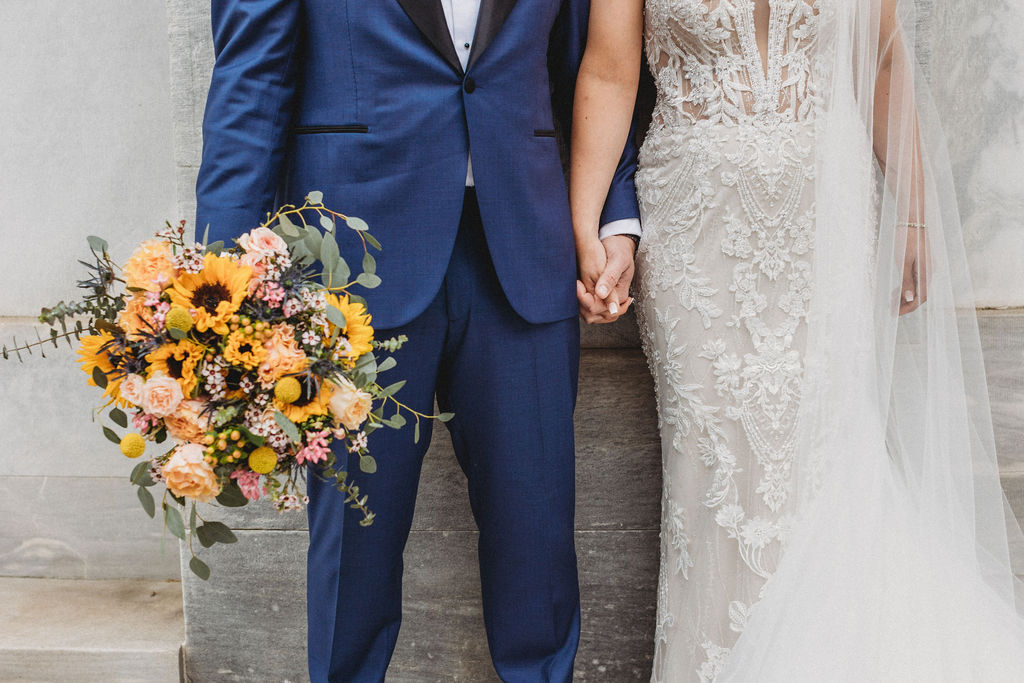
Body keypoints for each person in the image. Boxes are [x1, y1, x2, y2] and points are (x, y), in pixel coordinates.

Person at [572, 0, 1024, 680]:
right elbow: (610, 73)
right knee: (713, 481)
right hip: (697, 227)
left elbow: (883, 55)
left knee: (832, 461)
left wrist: (914, 212)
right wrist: (586, 229)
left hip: (827, 218)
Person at [195, 1, 640, 681]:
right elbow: (251, 83)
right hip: (353, 264)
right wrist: (222, 293)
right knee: (354, 554)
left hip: (525, 246)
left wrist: (614, 215)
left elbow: (597, 60)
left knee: (538, 541)